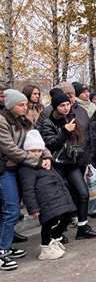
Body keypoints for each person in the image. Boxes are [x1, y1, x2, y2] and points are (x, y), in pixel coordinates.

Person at [38, 91, 96, 240]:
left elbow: (79, 140)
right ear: (55, 107)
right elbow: (51, 144)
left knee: (83, 193)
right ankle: (57, 232)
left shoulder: (71, 117)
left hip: (72, 163)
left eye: (67, 104)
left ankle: (82, 227)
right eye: (62, 105)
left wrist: (82, 154)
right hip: (57, 165)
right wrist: (65, 131)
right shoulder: (48, 122)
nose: (66, 108)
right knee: (61, 200)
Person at [0, 90, 52, 270]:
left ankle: (4, 245)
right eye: (20, 104)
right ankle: (2, 251)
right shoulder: (2, 121)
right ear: (10, 105)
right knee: (11, 209)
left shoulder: (24, 120)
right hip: (5, 170)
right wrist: (37, 162)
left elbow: (36, 140)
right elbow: (10, 149)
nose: (25, 107)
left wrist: (47, 157)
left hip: (19, 168)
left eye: (25, 104)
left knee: (9, 210)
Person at [18, 130, 76, 260]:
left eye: (39, 150)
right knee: (48, 223)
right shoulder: (26, 168)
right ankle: (45, 247)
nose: (37, 153)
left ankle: (54, 238)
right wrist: (33, 208)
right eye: (33, 151)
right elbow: (28, 190)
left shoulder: (46, 162)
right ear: (26, 151)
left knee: (67, 216)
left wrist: (66, 195)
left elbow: (58, 179)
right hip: (44, 202)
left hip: (58, 198)